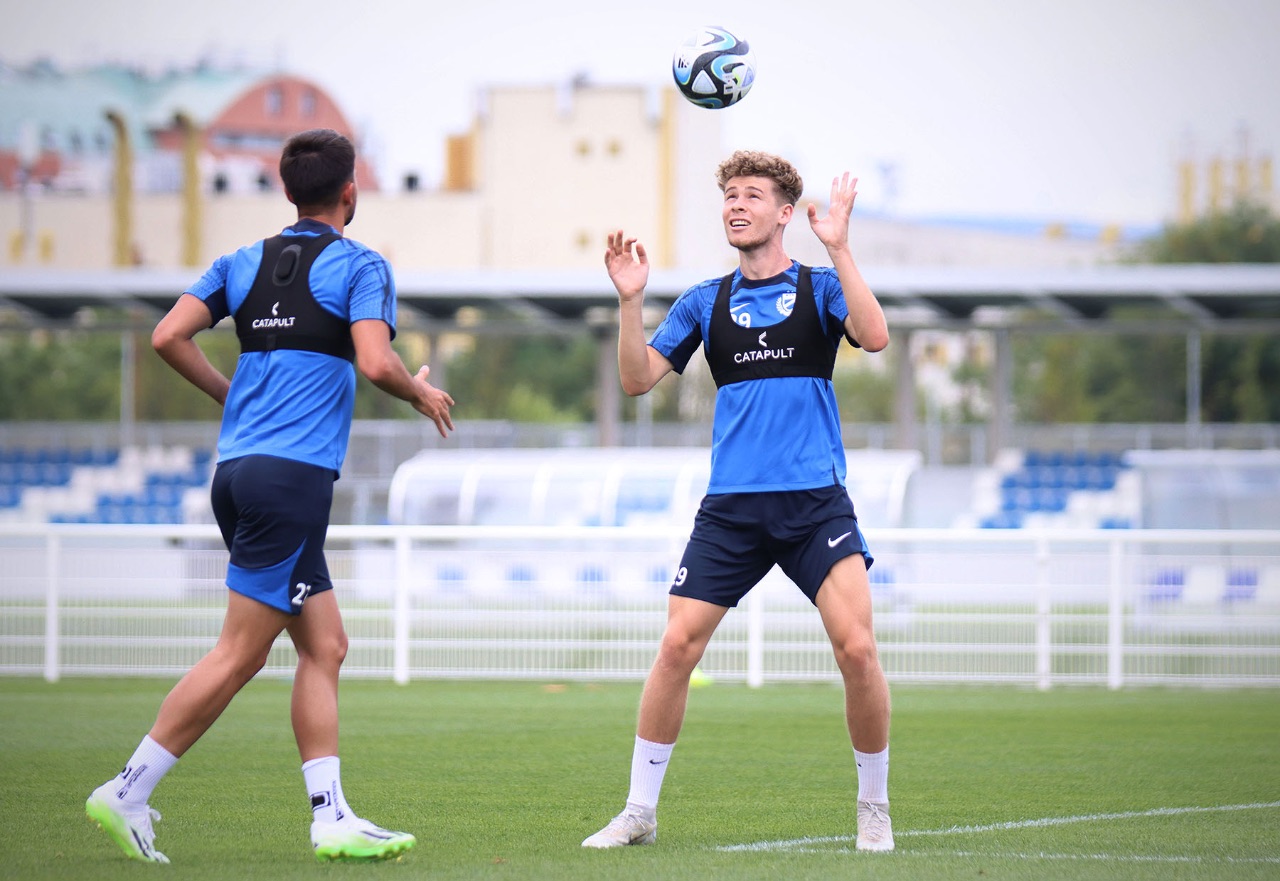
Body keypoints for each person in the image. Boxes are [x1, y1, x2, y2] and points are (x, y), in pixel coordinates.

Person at [85, 128, 454, 864]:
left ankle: (332, 816)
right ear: (350, 191)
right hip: (291, 480)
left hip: (238, 472)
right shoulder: (361, 265)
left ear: (288, 191)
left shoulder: (240, 261)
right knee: (238, 654)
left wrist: (234, 398)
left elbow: (167, 336)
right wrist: (419, 392)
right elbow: (376, 360)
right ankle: (127, 789)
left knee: (326, 644)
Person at [582, 150, 894, 852]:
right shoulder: (705, 300)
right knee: (675, 646)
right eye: (729, 195)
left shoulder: (820, 287)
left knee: (857, 649)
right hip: (732, 509)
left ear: (784, 213)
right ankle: (639, 811)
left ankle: (873, 807)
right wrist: (630, 301)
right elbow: (636, 379)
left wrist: (840, 248)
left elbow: (875, 337)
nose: (736, 205)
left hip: (814, 504)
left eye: (751, 195)